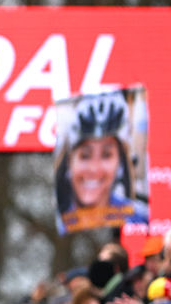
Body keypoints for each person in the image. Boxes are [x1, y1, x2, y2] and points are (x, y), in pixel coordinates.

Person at [54, 92, 148, 235]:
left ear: (120, 162)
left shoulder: (140, 220)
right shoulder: (59, 224)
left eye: (106, 155)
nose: (94, 168)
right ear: (69, 161)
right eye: (85, 156)